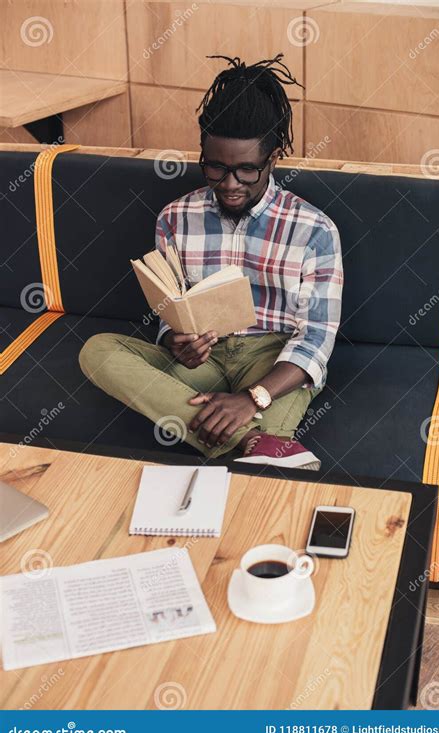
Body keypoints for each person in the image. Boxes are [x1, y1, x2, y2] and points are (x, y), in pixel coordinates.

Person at [79, 53, 343, 469]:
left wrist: (251, 398)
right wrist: (175, 341)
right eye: (215, 168)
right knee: (98, 351)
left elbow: (315, 339)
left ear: (272, 159)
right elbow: (170, 306)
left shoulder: (315, 229)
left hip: (273, 362)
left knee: (288, 388)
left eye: (246, 171)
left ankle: (244, 436)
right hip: (204, 361)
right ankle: (255, 442)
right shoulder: (175, 218)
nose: (229, 185)